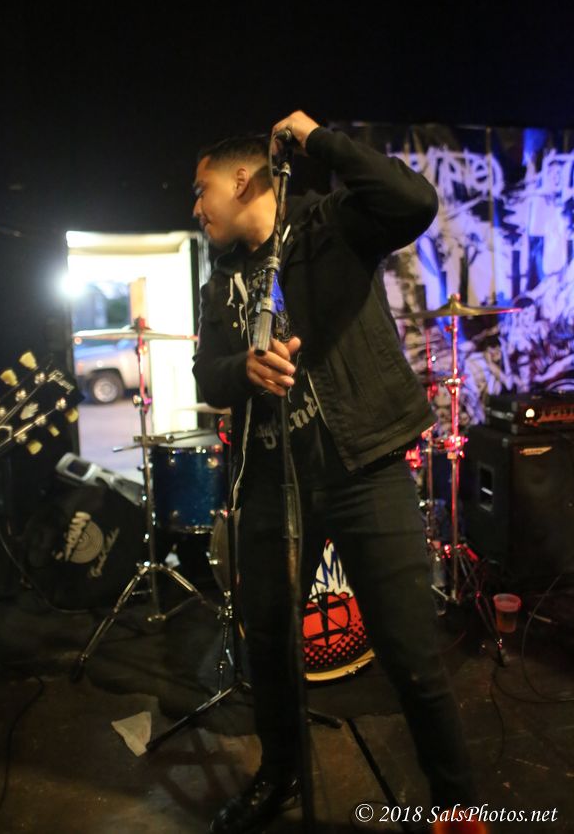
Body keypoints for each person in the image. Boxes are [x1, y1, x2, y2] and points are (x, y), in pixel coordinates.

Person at [192, 111, 488, 834]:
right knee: (270, 647)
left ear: (242, 180)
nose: (196, 208)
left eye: (202, 191)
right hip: (274, 483)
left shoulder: (330, 223)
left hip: (366, 469)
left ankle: (456, 804)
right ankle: (280, 775)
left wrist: (318, 139)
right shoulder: (221, 281)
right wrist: (243, 368)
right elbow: (206, 373)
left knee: (411, 654)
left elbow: (414, 202)